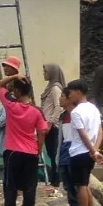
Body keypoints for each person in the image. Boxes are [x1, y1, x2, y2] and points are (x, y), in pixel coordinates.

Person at [0, 76, 50, 206]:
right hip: (31, 152)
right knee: (30, 185)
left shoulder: (11, 105)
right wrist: (38, 150)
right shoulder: (37, 111)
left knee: (10, 184)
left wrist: (14, 76)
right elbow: (42, 132)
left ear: (18, 91)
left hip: (12, 151)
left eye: (15, 90)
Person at [61, 79, 103, 206]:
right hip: (89, 153)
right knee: (85, 185)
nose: (69, 95)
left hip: (79, 152)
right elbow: (100, 131)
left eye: (71, 92)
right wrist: (95, 150)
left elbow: (82, 134)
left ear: (78, 92)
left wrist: (92, 150)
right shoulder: (93, 108)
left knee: (81, 186)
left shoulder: (77, 112)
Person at [39, 63, 67, 196]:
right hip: (46, 125)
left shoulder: (55, 88)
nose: (44, 74)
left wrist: (50, 123)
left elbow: (59, 107)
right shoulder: (50, 87)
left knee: (54, 153)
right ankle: (54, 179)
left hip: (52, 127)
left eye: (45, 72)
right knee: (50, 154)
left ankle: (56, 180)